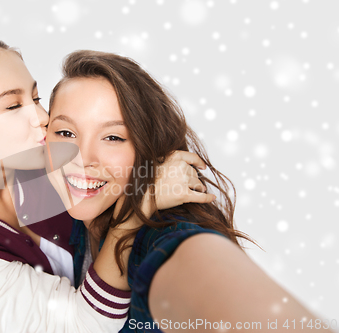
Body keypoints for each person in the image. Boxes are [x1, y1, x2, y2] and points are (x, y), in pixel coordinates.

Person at [0, 34, 213, 333]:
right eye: (13, 105)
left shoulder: (40, 165)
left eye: (35, 98)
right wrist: (137, 212)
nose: (41, 118)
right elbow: (84, 325)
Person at [46, 50, 332, 332]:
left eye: (113, 137)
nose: (82, 158)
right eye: (65, 133)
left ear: (147, 148)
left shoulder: (167, 237)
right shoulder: (57, 220)